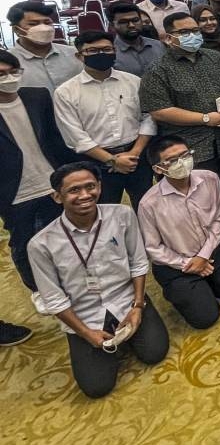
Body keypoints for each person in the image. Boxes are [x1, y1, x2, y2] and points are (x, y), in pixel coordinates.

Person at [28, 162, 169, 398]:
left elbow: (138, 262)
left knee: (155, 352)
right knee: (97, 387)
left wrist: (137, 306)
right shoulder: (41, 245)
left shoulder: (122, 215)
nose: (85, 195)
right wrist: (85, 333)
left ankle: (131, 324)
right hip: (84, 315)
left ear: (100, 187)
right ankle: (101, 339)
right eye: (74, 190)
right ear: (57, 197)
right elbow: (54, 300)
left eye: (90, 186)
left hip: (127, 301)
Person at [138, 135, 220, 328]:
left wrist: (203, 256)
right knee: (205, 318)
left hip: (211, 249)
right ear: (159, 169)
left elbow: (218, 219)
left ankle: (206, 283)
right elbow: (153, 248)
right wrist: (188, 264)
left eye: (185, 155)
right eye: (173, 160)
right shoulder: (149, 204)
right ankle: (189, 289)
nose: (182, 162)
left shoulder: (209, 179)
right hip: (176, 265)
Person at [0, 50, 75, 309]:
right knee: (25, 243)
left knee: (66, 234)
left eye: (13, 72)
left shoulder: (37, 96)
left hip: (51, 180)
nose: (9, 78)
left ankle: (70, 281)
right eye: (1, 75)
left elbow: (54, 139)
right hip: (13, 190)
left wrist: (68, 172)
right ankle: (38, 288)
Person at [53, 31, 156, 212]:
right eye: (92, 51)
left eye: (106, 49)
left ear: (114, 51)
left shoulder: (133, 82)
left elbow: (148, 117)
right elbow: (76, 137)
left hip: (137, 156)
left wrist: (135, 152)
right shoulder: (66, 92)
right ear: (79, 56)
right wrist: (112, 160)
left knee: (147, 207)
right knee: (106, 212)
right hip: (97, 162)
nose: (101, 54)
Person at [139, 12, 220, 173]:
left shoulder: (215, 57)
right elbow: (159, 111)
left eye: (195, 31)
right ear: (168, 38)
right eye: (184, 33)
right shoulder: (157, 70)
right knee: (202, 192)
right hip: (192, 146)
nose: (192, 36)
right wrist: (206, 119)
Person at [8, 1, 82, 93]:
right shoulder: (7, 63)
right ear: (16, 29)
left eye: (47, 23)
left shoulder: (74, 54)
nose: (43, 28)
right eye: (33, 24)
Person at [109, 3, 165, 77]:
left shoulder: (159, 46)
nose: (131, 25)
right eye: (123, 22)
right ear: (112, 26)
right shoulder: (110, 54)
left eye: (135, 20)